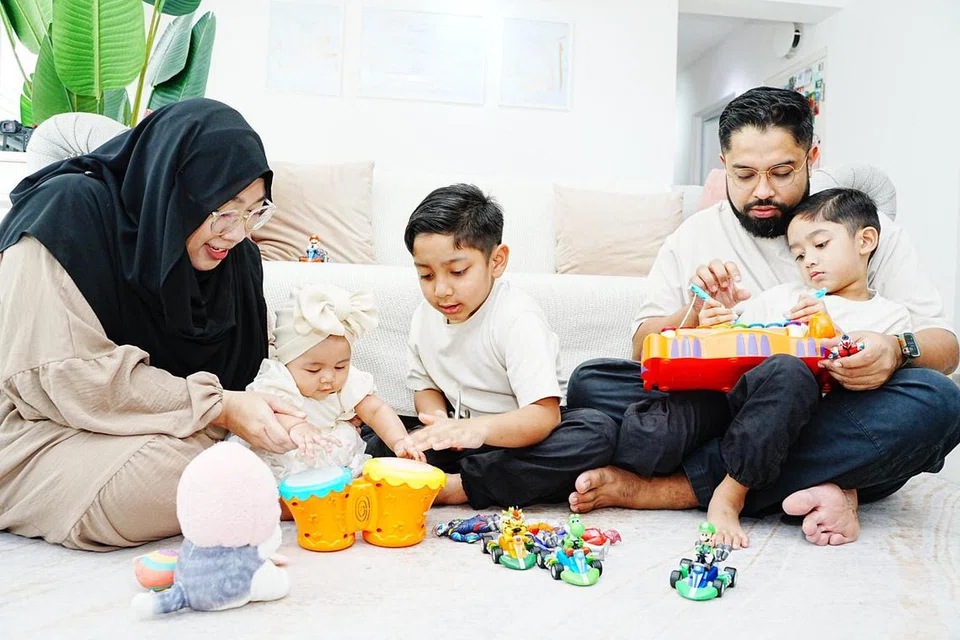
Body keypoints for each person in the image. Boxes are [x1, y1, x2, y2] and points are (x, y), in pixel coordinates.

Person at [566, 87, 960, 546]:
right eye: (745, 174)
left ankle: (676, 489)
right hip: (723, 406)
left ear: (812, 155)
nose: (763, 191)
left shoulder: (866, 229)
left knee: (939, 402)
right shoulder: (694, 236)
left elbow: (945, 346)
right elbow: (640, 352)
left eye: (782, 171)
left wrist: (896, 350)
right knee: (590, 383)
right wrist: (694, 314)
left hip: (833, 410)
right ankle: (826, 482)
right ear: (723, 164)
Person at [0, 99, 307, 551]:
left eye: (254, 211)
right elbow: (61, 376)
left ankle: (242, 484)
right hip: (39, 426)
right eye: (222, 209)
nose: (236, 231)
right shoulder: (66, 213)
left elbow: (249, 370)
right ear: (175, 188)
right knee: (176, 476)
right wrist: (217, 408)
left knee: (240, 460)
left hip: (158, 426)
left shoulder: (237, 258)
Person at [622, 188, 914, 549]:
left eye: (821, 246)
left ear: (865, 240)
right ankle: (823, 484)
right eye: (800, 254)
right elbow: (735, 339)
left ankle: (730, 492)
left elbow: (874, 384)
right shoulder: (782, 297)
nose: (809, 261)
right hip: (742, 409)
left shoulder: (888, 316)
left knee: (792, 374)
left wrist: (830, 333)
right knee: (594, 380)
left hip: (813, 419)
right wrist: (713, 318)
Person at [363, 184, 617, 508]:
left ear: (496, 261)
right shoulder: (424, 316)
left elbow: (544, 416)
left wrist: (475, 430)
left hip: (521, 440)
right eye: (426, 275)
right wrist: (439, 423)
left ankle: (460, 487)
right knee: (382, 442)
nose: (441, 290)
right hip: (460, 442)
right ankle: (461, 477)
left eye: (457, 272)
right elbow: (424, 387)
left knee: (596, 433)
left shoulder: (517, 318)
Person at [237, 283, 423, 481]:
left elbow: (376, 410)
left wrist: (400, 441)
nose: (329, 377)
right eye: (313, 369)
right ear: (284, 360)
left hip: (329, 457)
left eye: (340, 366)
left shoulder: (347, 382)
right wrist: (296, 426)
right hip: (282, 458)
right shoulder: (279, 378)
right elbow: (266, 413)